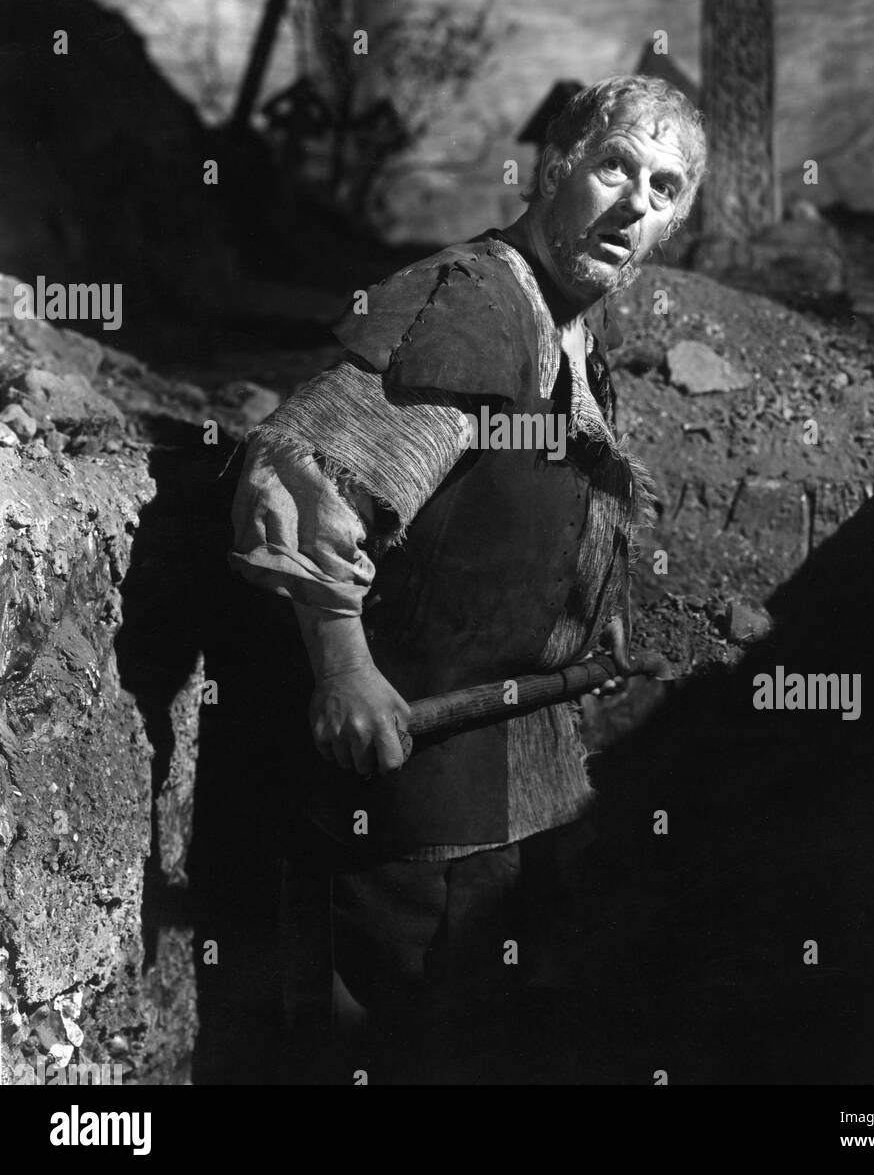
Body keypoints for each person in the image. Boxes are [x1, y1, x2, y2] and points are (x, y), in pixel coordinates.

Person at [230, 73, 706, 1082]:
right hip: (404, 790)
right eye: (614, 166)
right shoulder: (477, 303)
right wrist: (342, 660)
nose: (631, 202)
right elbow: (298, 464)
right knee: (406, 1051)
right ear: (553, 167)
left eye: (662, 189)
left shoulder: (572, 326)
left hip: (500, 769)